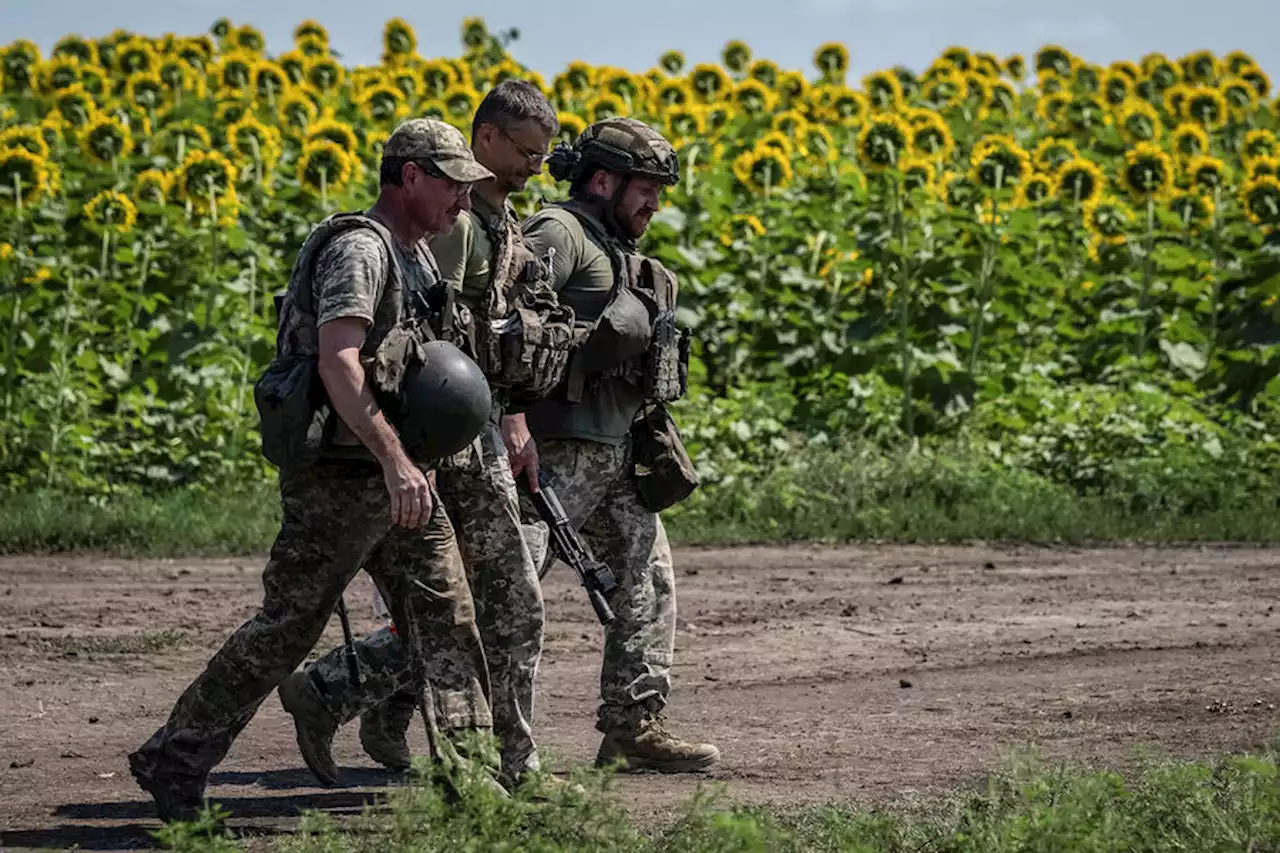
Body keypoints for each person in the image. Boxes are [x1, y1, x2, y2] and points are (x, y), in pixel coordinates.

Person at [127, 117, 502, 821]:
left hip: (396, 473)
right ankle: (172, 759)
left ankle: (473, 781)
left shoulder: (417, 254)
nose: (462, 200)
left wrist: (409, 461)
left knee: (447, 613)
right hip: (342, 477)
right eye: (452, 183)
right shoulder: (362, 249)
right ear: (411, 175)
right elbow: (338, 359)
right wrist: (395, 460)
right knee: (287, 628)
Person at [277, 81, 578, 794]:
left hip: (473, 431)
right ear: (484, 139)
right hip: (439, 442)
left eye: (543, 153)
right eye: (526, 151)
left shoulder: (502, 222)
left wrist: (513, 413)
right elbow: (417, 348)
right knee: (468, 605)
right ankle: (468, 757)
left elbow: (489, 339)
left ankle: (461, 749)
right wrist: (410, 451)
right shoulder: (450, 225)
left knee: (486, 603)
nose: (538, 164)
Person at [516, 117, 719, 772]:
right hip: (551, 454)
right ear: (602, 180)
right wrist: (594, 339)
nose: (655, 204)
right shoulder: (557, 233)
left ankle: (635, 721)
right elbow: (510, 335)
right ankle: (340, 685)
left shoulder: (616, 245)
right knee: (502, 593)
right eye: (646, 188)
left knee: (649, 579)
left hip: (616, 451)